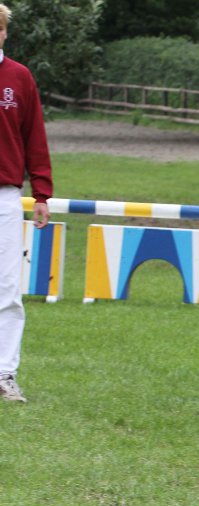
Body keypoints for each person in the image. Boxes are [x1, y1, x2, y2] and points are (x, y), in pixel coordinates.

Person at [0, 2, 52, 404]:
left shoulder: (20, 78)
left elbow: (35, 136)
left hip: (6, 197)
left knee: (8, 289)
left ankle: (5, 373)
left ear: (4, 33)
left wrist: (42, 192)